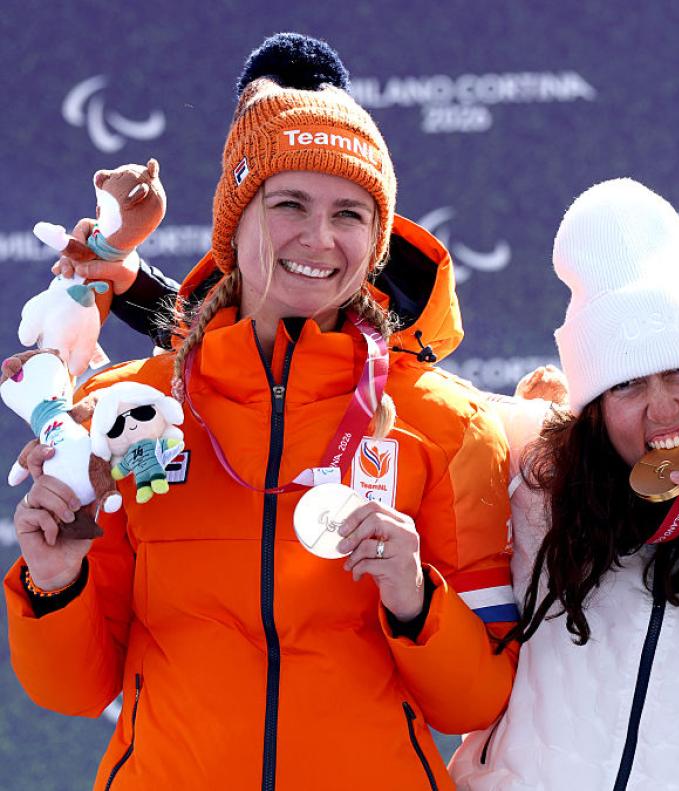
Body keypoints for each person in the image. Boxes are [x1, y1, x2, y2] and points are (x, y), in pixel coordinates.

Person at [5, 34, 518, 790]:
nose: (319, 238)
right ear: (234, 220)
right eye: (289, 204)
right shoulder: (124, 410)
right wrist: (53, 581)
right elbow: (73, 690)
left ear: (376, 242)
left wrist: (415, 601)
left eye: (349, 212)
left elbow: (477, 700)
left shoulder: (446, 423)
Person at [447, 178, 679, 790]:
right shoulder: (537, 486)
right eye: (626, 385)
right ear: (594, 407)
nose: (661, 412)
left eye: (678, 372)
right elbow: (425, 408)